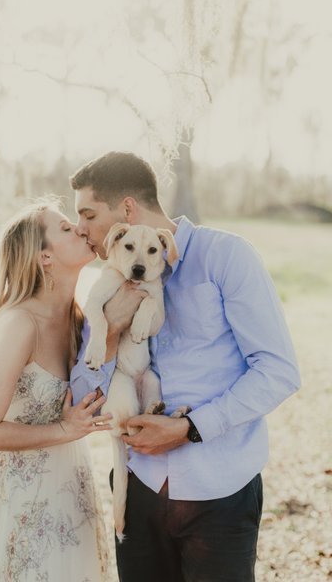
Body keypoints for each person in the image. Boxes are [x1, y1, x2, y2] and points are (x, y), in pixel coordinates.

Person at [69, 151, 301, 582]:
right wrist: (114, 326)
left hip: (219, 488)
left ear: (126, 209)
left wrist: (189, 427)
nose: (81, 229)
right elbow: (83, 394)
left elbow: (278, 371)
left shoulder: (226, 257)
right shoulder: (105, 285)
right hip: (138, 489)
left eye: (88, 214)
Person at [0, 197, 114, 582]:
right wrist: (63, 429)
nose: (81, 228)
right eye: (66, 228)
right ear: (44, 257)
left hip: (71, 487)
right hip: (21, 502)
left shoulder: (82, 322)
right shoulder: (19, 324)